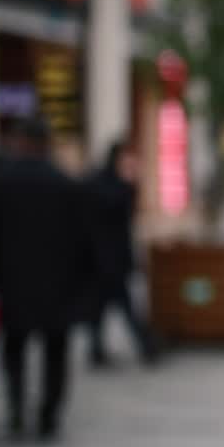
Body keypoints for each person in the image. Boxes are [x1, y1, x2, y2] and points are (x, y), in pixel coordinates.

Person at [0, 117, 94, 440]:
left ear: (21, 142)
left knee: (14, 347)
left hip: (13, 282)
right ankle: (49, 414)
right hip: (58, 284)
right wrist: (82, 283)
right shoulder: (66, 185)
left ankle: (16, 407)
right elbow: (83, 241)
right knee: (56, 351)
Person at [86, 141, 157, 368]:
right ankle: (145, 346)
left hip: (100, 259)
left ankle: (98, 350)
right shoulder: (114, 185)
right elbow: (120, 207)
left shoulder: (97, 182)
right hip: (109, 259)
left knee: (101, 308)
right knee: (123, 307)